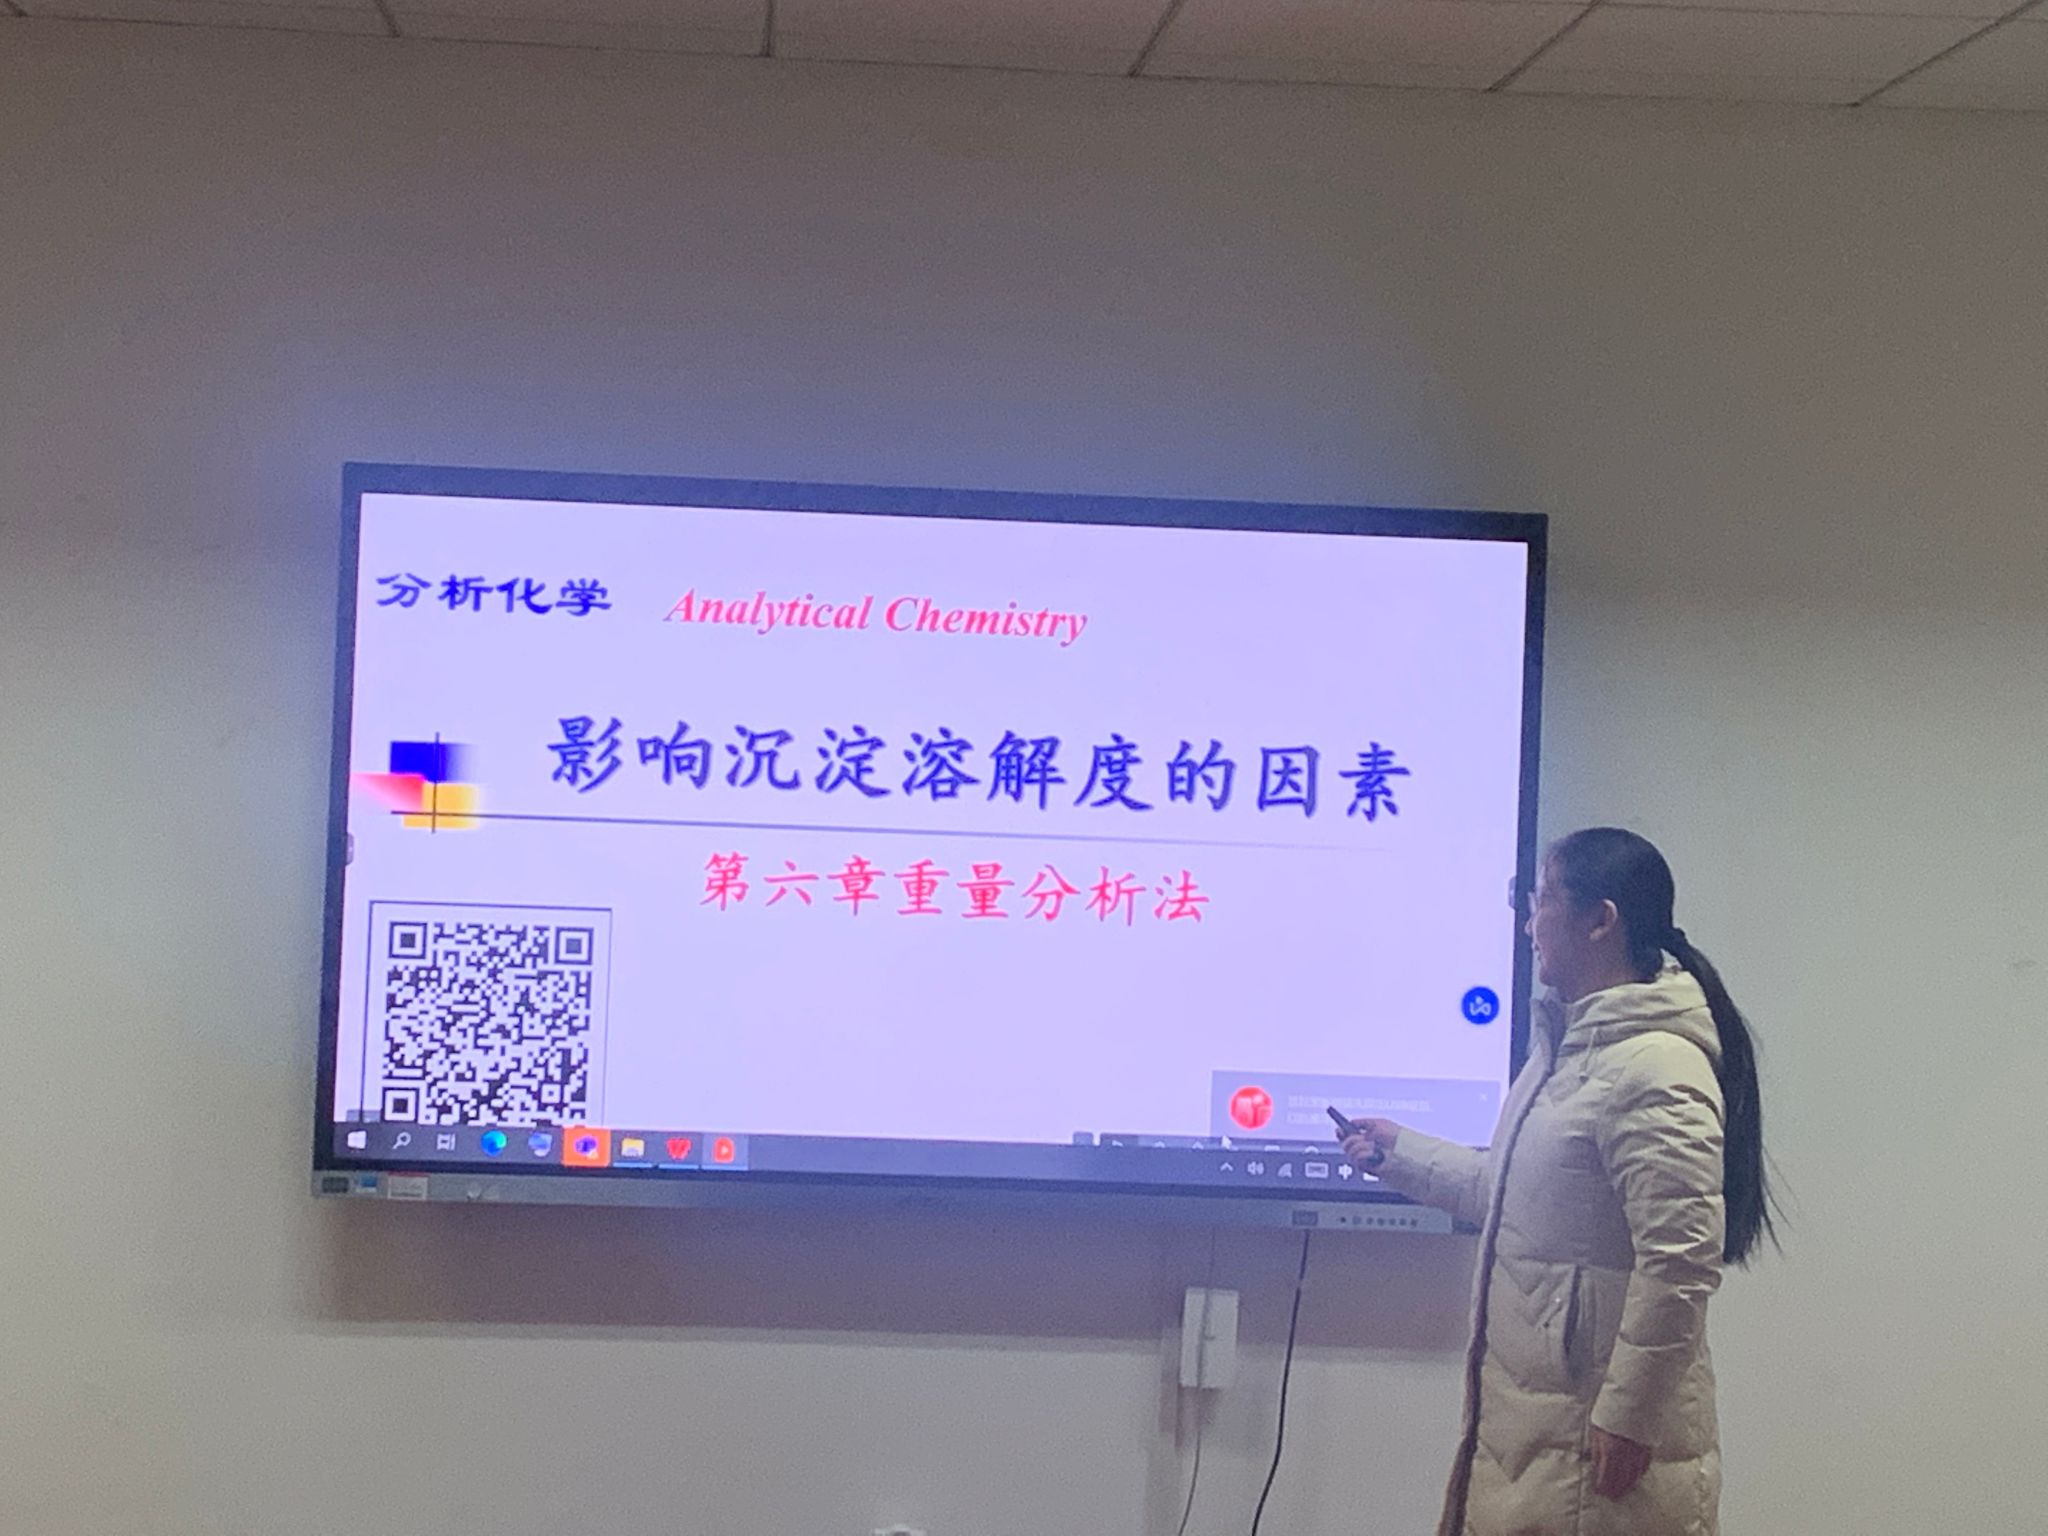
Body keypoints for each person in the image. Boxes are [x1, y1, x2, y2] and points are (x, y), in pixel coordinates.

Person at [1343, 828, 1775, 1536]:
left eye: (1542, 900)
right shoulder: (1567, 1056)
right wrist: (1399, 1153)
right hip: (1541, 1434)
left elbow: (1680, 1261)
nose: (1529, 925)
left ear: (1601, 921)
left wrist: (1629, 1417)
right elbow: (1513, 1201)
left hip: (1593, 1454)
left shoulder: (1656, 1068)